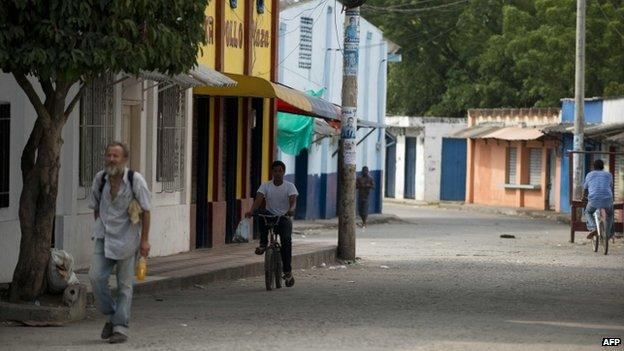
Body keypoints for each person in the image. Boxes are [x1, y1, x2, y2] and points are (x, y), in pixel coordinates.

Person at [88, 142, 152, 344]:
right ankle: (113, 315)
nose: (111, 159)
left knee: (125, 286)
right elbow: (96, 206)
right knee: (96, 278)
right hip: (104, 237)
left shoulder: (135, 180)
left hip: (127, 239)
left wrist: (144, 241)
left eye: (116, 156)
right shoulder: (100, 179)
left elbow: (146, 210)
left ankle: (120, 328)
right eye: (108, 155)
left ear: (124, 159)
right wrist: (101, 225)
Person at [245, 161, 298, 287]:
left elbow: (293, 200)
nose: (278, 173)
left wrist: (291, 210)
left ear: (284, 172)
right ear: (272, 172)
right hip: (270, 216)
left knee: (286, 241)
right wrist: (251, 211)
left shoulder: (289, 186)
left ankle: (287, 272)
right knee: (261, 215)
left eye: (280, 171)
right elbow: (259, 198)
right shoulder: (266, 185)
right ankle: (263, 244)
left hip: (284, 218)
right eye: (275, 171)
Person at [583, 159, 614, 240]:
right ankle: (607, 234)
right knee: (610, 214)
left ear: (593, 167)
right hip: (607, 199)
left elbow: (585, 188)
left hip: (593, 199)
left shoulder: (589, 175)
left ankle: (593, 228)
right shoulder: (608, 175)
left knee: (588, 212)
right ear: (603, 166)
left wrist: (583, 197)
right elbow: (610, 187)